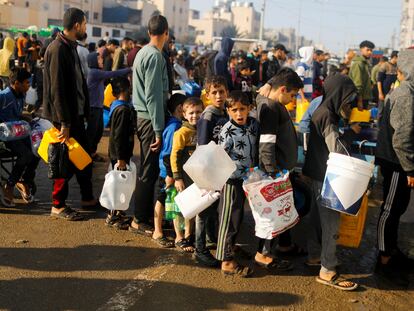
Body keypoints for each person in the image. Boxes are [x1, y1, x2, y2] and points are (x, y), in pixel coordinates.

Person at [302, 73, 360, 291]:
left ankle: (315, 257)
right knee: (330, 224)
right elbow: (337, 149)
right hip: (329, 177)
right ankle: (327, 270)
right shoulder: (328, 116)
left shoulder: (322, 111)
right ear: (339, 94)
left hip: (318, 174)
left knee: (317, 220)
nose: (350, 103)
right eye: (348, 97)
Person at [43, 7, 99, 220]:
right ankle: (57, 205)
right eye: (85, 23)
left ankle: (87, 197)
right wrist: (64, 122)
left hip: (74, 115)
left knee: (84, 157)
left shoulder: (70, 46)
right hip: (64, 117)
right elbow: (57, 89)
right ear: (77, 25)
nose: (86, 27)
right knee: (63, 161)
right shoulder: (58, 49)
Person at [254, 68, 303, 272]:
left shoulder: (270, 101)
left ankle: (284, 244)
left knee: (284, 208)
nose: (292, 100)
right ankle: (263, 254)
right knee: (272, 213)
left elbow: (284, 71)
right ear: (282, 89)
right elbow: (267, 143)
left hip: (281, 169)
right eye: (291, 95)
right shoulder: (271, 107)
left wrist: (268, 81)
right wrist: (272, 172)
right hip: (275, 171)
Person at [375, 50, 414, 288]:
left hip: (402, 162)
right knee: (389, 210)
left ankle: (392, 250)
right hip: (396, 162)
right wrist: (410, 169)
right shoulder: (406, 95)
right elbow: (402, 139)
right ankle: (384, 258)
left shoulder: (408, 92)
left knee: (398, 207)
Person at [130, 15, 169, 235]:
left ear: (148, 32)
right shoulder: (154, 57)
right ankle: (139, 219)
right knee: (148, 171)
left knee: (149, 168)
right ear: (166, 33)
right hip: (149, 119)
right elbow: (153, 96)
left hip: (144, 117)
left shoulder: (142, 52)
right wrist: (157, 130)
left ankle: (141, 216)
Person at [216, 90, 258, 277]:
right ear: (228, 111)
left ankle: (231, 248)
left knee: (238, 217)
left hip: (245, 179)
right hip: (230, 181)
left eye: (243, 109)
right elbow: (219, 157)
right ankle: (226, 260)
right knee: (228, 221)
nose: (239, 114)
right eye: (235, 110)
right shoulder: (227, 131)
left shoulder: (252, 125)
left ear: (249, 108)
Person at [195, 75, 229, 267]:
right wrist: (204, 175)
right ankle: (200, 250)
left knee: (213, 209)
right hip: (208, 170)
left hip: (219, 169)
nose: (218, 96)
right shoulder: (208, 117)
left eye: (221, 92)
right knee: (203, 211)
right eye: (214, 93)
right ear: (207, 96)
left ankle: (211, 239)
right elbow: (202, 147)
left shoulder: (223, 114)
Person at [0, 68, 40, 207]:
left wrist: (25, 117)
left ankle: (24, 180)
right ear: (16, 83)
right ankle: (9, 186)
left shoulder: (21, 95)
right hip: (4, 137)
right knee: (26, 155)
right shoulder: (3, 96)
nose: (29, 85)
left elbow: (16, 115)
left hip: (18, 133)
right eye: (26, 83)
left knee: (38, 150)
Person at [152, 93, 186, 249]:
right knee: (162, 200)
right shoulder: (174, 127)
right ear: (180, 109)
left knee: (169, 202)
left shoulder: (173, 124)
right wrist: (170, 175)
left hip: (169, 171)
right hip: (167, 173)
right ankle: (157, 231)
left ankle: (172, 229)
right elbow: (167, 154)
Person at [170, 97, 204, 251]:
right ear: (184, 114)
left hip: (196, 177)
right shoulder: (181, 133)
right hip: (183, 177)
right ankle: (179, 237)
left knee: (193, 207)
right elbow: (174, 155)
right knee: (180, 208)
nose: (195, 115)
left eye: (198, 112)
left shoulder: (202, 130)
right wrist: (177, 177)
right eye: (191, 113)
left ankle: (189, 236)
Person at [86, 52, 131, 161]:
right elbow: (111, 74)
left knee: (98, 132)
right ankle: (87, 156)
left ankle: (92, 153)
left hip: (97, 107)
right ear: (93, 61)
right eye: (99, 59)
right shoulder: (93, 72)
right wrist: (129, 69)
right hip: (93, 108)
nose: (102, 61)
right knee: (92, 133)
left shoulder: (96, 73)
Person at [105, 76, 136, 229]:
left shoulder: (116, 106)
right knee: (117, 184)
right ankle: (113, 216)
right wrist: (121, 158)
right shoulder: (123, 110)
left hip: (116, 153)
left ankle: (116, 212)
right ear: (126, 89)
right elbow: (119, 136)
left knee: (117, 183)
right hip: (119, 154)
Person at [348, 40, 375, 110]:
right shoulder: (358, 63)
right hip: (358, 99)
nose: (370, 52)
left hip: (364, 98)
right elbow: (358, 84)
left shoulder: (364, 63)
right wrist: (360, 101)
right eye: (368, 50)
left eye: (371, 50)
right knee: (357, 119)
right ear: (361, 49)